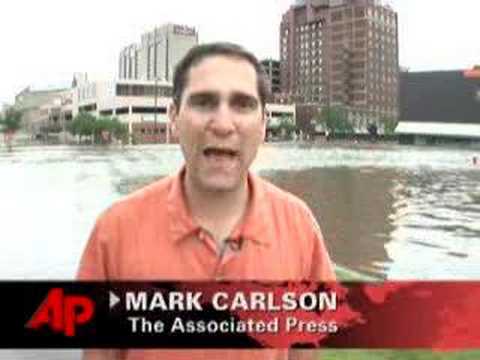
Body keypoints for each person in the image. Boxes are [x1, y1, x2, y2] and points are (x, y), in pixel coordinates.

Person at [78, 42, 335, 360]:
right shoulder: (112, 232)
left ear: (264, 123)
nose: (224, 124)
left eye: (242, 104)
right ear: (173, 116)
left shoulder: (300, 227)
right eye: (203, 103)